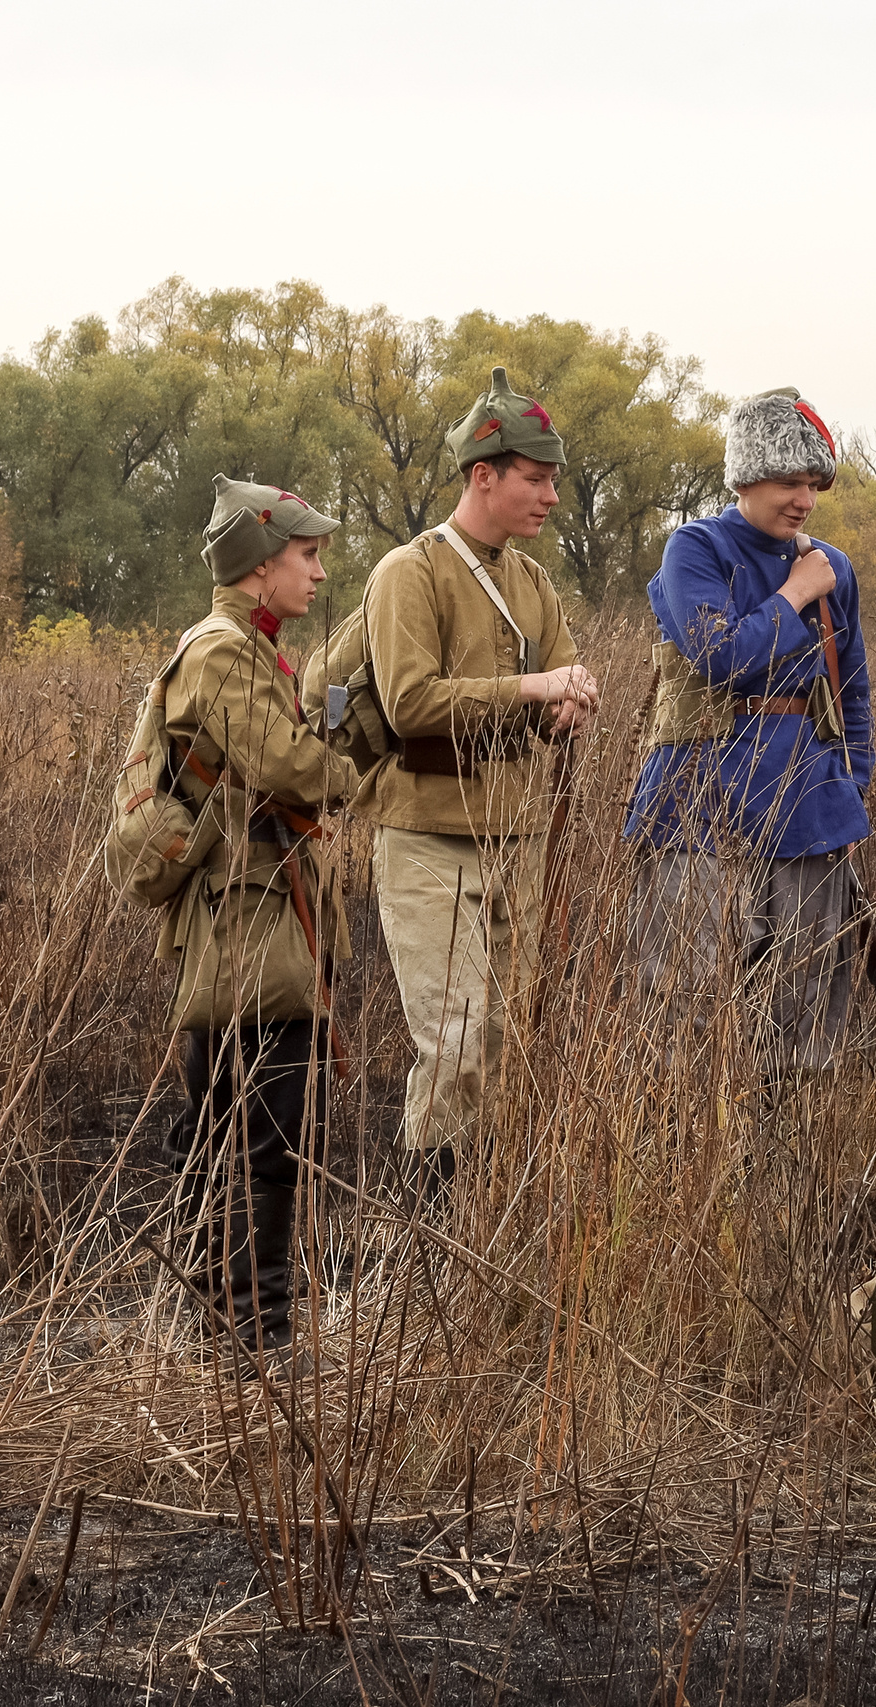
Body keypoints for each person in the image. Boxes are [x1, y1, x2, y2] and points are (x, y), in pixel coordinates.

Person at [362, 368, 594, 1177]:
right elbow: (409, 703)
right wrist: (533, 687)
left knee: (504, 1049)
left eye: (553, 481)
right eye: (535, 479)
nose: (550, 498)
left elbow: (568, 675)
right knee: (453, 1039)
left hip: (516, 837)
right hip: (427, 838)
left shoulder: (532, 582)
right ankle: (427, 1231)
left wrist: (567, 705)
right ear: (483, 475)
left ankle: (479, 1229)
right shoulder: (408, 572)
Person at [624, 387, 875, 1074]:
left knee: (803, 1004)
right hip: (696, 803)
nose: (804, 499)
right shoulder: (695, 550)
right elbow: (722, 658)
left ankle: (783, 1171)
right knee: (686, 1004)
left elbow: (851, 689)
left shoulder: (835, 568)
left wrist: (848, 783)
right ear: (746, 477)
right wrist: (795, 593)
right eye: (789, 481)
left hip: (807, 805)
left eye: (814, 484)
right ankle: (682, 1168)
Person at [162, 475, 358, 1355]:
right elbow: (289, 768)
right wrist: (352, 762)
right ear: (257, 565)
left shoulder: (250, 645)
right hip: (247, 918)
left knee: (232, 1128)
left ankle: (232, 1338)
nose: (319, 572)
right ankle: (255, 1344)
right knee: (265, 1138)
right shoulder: (222, 651)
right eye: (306, 555)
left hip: (256, 909)